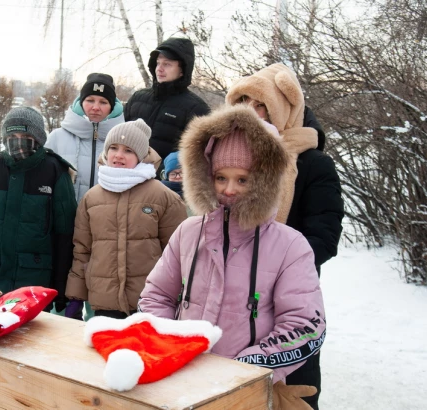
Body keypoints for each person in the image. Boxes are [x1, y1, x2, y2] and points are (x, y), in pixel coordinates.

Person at [138, 105, 325, 410]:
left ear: (264, 180)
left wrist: (249, 368)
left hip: (248, 391)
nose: (229, 189)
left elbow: (305, 324)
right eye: (221, 177)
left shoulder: (291, 246)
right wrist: (171, 345)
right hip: (182, 382)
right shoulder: (188, 232)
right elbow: (155, 295)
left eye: (243, 179)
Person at [226, 63, 344, 410]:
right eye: (242, 101)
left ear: (281, 109)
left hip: (289, 300)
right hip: (232, 300)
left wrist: (273, 265)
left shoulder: (312, 164)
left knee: (291, 394)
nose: (249, 111)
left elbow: (324, 235)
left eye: (259, 104)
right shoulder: (229, 161)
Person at [65, 119, 187, 319]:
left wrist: (179, 296)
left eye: (128, 150)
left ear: (140, 156)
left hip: (150, 303)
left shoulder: (162, 196)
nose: (119, 155)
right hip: (105, 301)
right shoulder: (91, 198)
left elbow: (179, 255)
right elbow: (82, 251)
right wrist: (76, 296)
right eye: (113, 148)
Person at [0, 107, 77, 313]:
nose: (18, 141)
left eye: (25, 136)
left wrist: (60, 288)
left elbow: (65, 235)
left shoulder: (54, 170)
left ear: (38, 137)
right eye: (12, 135)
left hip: (32, 280)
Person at [124, 37, 210, 174]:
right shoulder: (137, 98)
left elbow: (197, 158)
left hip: (166, 187)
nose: (160, 69)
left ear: (182, 70)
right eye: (158, 63)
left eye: (167, 64)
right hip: (126, 177)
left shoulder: (197, 109)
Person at [45, 73, 124, 201]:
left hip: (106, 219)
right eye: (90, 100)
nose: (96, 107)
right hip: (64, 218)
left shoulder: (124, 141)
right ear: (81, 102)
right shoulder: (57, 138)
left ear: (112, 107)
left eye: (103, 102)